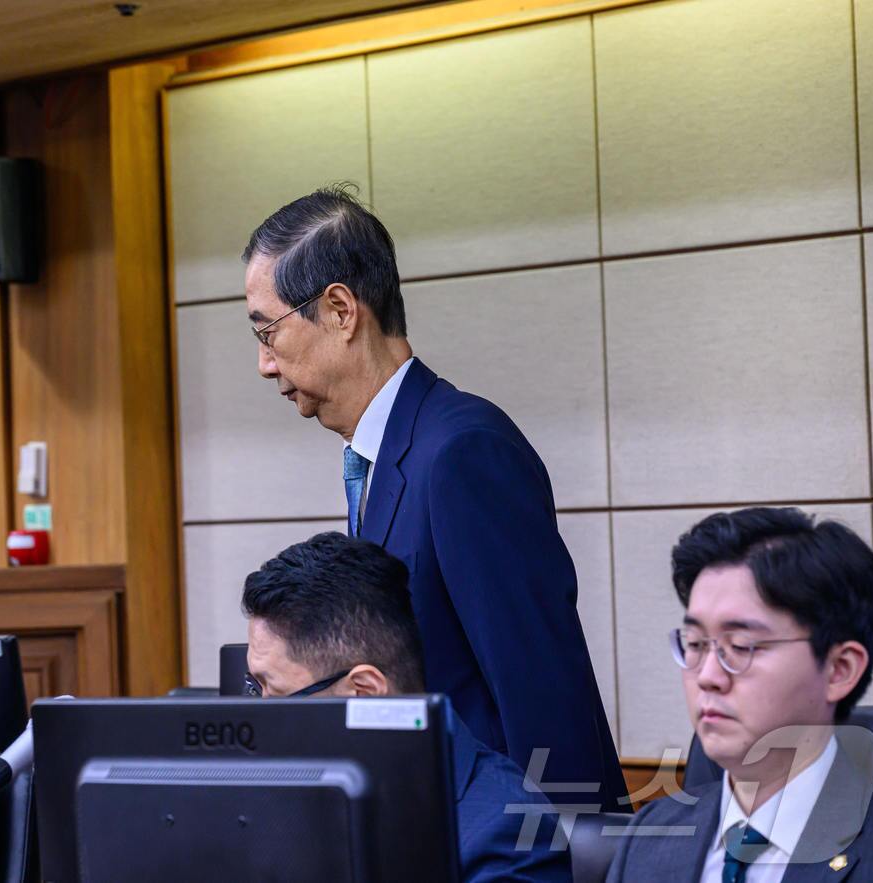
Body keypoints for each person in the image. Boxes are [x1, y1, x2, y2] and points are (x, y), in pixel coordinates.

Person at [242, 184, 624, 810]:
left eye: (268, 331)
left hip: (500, 837)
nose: (264, 363)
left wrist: (561, 847)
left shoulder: (463, 451)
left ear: (340, 311)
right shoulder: (384, 451)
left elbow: (540, 687)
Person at [242, 531, 573, 882]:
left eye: (277, 698)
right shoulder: (276, 806)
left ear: (364, 693)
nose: (260, 722)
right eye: (255, 689)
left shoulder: (507, 832)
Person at [607, 507, 873, 881]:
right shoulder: (650, 836)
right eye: (695, 643)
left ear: (839, 669)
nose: (708, 677)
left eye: (741, 646)